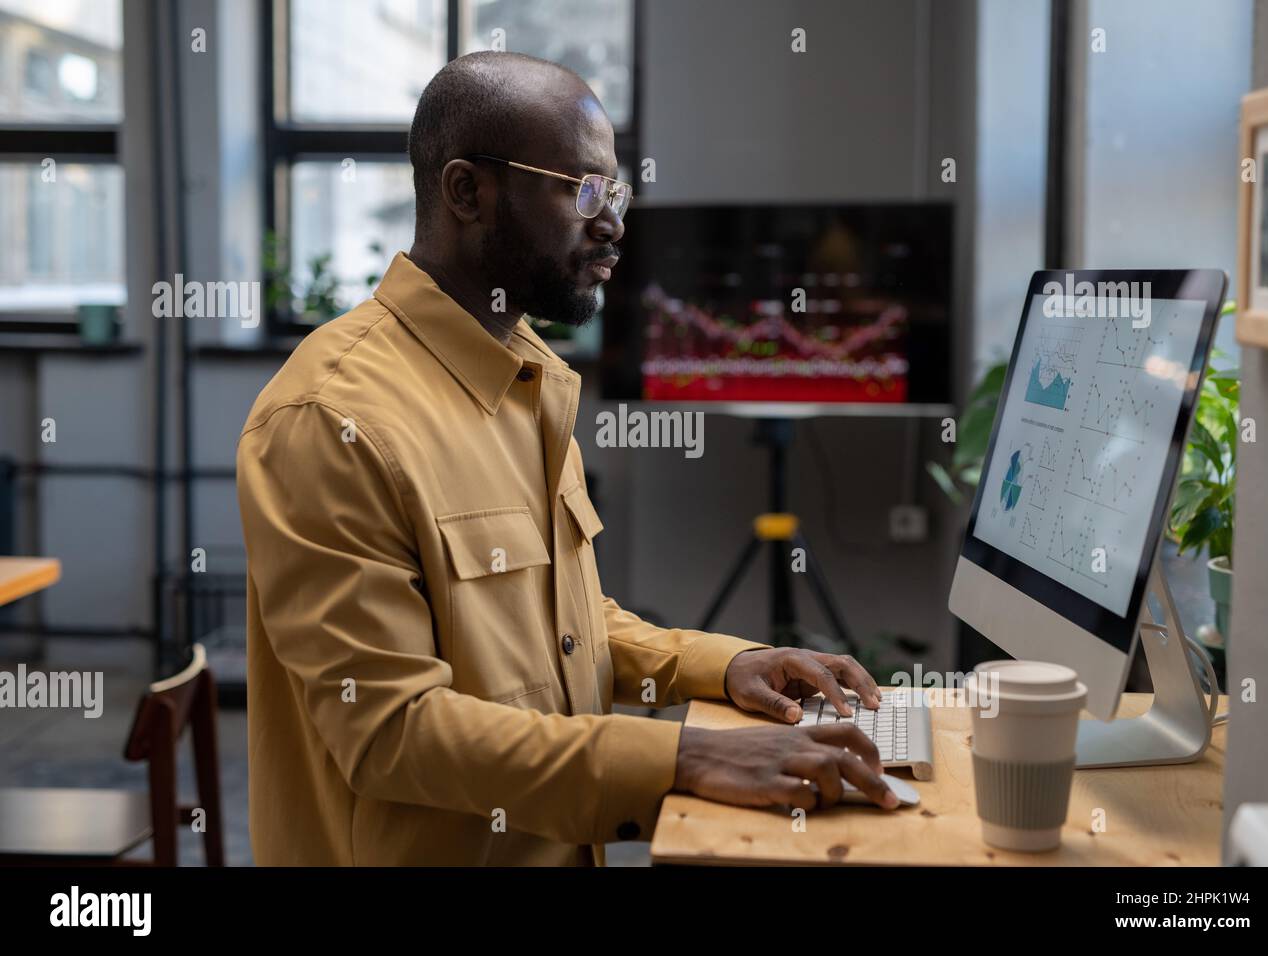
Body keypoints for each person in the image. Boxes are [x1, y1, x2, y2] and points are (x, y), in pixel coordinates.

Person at [236, 51, 896, 867]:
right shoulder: (330, 422)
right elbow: (391, 732)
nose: (613, 220)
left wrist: (725, 667)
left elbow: (566, 632)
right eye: (581, 189)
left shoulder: (530, 376)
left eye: (615, 192)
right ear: (467, 192)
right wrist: (684, 758)